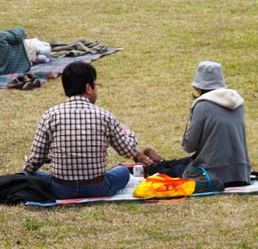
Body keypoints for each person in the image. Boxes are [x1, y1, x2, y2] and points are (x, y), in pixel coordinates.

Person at [22, 61, 160, 199]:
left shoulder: (50, 115)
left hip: (60, 190)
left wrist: (27, 165)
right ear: (89, 88)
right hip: (98, 188)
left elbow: (35, 161)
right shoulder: (105, 116)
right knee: (123, 171)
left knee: (33, 173)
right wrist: (127, 131)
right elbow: (128, 150)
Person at [181, 61, 251, 188]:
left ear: (198, 86)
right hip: (241, 174)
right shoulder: (238, 103)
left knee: (172, 169)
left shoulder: (202, 105)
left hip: (210, 174)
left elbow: (189, 146)